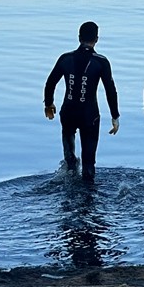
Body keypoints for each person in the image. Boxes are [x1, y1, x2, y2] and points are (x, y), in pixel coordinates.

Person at [44, 21, 119, 182]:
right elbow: (110, 91)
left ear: (79, 37)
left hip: (68, 113)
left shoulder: (65, 58)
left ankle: (69, 182)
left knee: (70, 161)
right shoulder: (101, 62)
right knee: (88, 164)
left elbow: (50, 83)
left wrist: (48, 104)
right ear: (97, 39)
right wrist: (115, 116)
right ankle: (88, 196)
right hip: (89, 116)